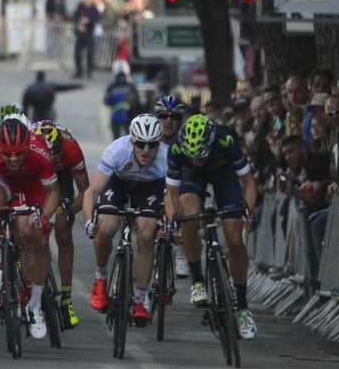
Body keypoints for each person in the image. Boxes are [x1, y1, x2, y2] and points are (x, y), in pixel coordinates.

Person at [0, 115, 60, 339]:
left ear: (28, 146)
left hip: (34, 185)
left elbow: (54, 192)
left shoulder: (40, 150)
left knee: (36, 238)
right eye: (7, 154)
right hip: (2, 180)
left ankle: (34, 306)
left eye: (19, 153)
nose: (14, 159)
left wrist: (44, 218)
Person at [167, 113, 259, 339]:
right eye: (193, 155)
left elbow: (248, 182)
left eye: (201, 155)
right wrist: (174, 223)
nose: (197, 159)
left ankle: (242, 305)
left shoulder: (225, 139)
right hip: (193, 177)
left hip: (223, 172)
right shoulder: (178, 149)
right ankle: (197, 279)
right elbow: (170, 193)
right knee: (188, 217)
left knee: (235, 239)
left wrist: (247, 211)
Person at [82, 112, 167, 327]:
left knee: (147, 234)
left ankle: (140, 299)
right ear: (132, 141)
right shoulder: (117, 150)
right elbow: (92, 191)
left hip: (151, 187)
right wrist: (89, 221)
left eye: (151, 144)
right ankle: (100, 277)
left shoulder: (167, 158)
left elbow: (174, 197)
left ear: (159, 143)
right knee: (106, 227)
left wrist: (167, 221)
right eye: (140, 144)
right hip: (118, 184)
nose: (146, 150)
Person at [33, 119, 89, 328]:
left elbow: (86, 190)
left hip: (61, 178)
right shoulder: (32, 148)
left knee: (63, 233)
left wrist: (70, 210)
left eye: (54, 155)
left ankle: (66, 298)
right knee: (34, 230)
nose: (51, 158)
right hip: (35, 174)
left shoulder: (70, 150)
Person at [103, 69, 135, 139]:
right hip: (128, 116)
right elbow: (136, 100)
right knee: (130, 138)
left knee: (116, 139)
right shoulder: (130, 86)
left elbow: (106, 101)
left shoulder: (111, 87)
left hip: (115, 116)